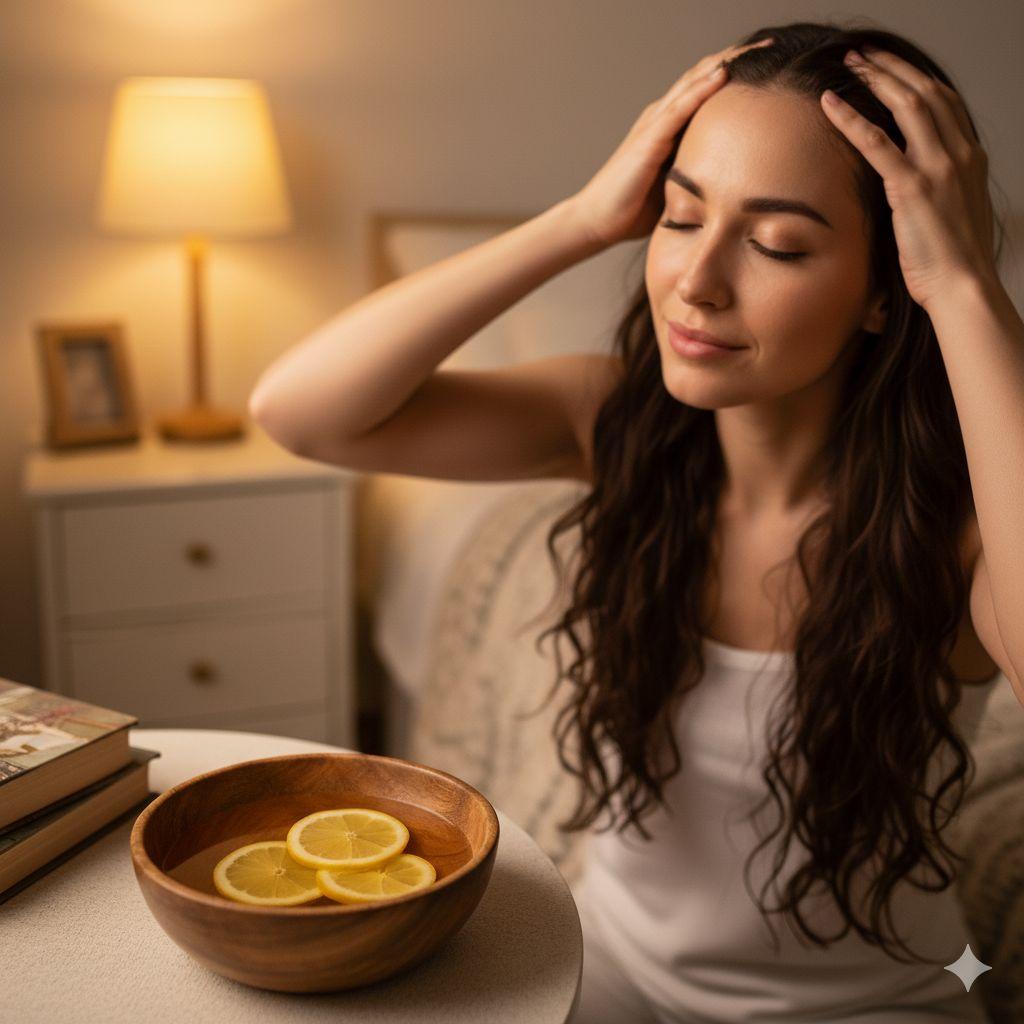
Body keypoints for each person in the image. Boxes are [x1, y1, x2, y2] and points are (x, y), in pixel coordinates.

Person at [249, 18, 1022, 1023]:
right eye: (679, 216)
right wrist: (577, 219)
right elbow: (297, 410)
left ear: (884, 288)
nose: (695, 283)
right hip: (595, 972)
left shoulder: (958, 527)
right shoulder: (610, 421)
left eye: (775, 243)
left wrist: (963, 287)